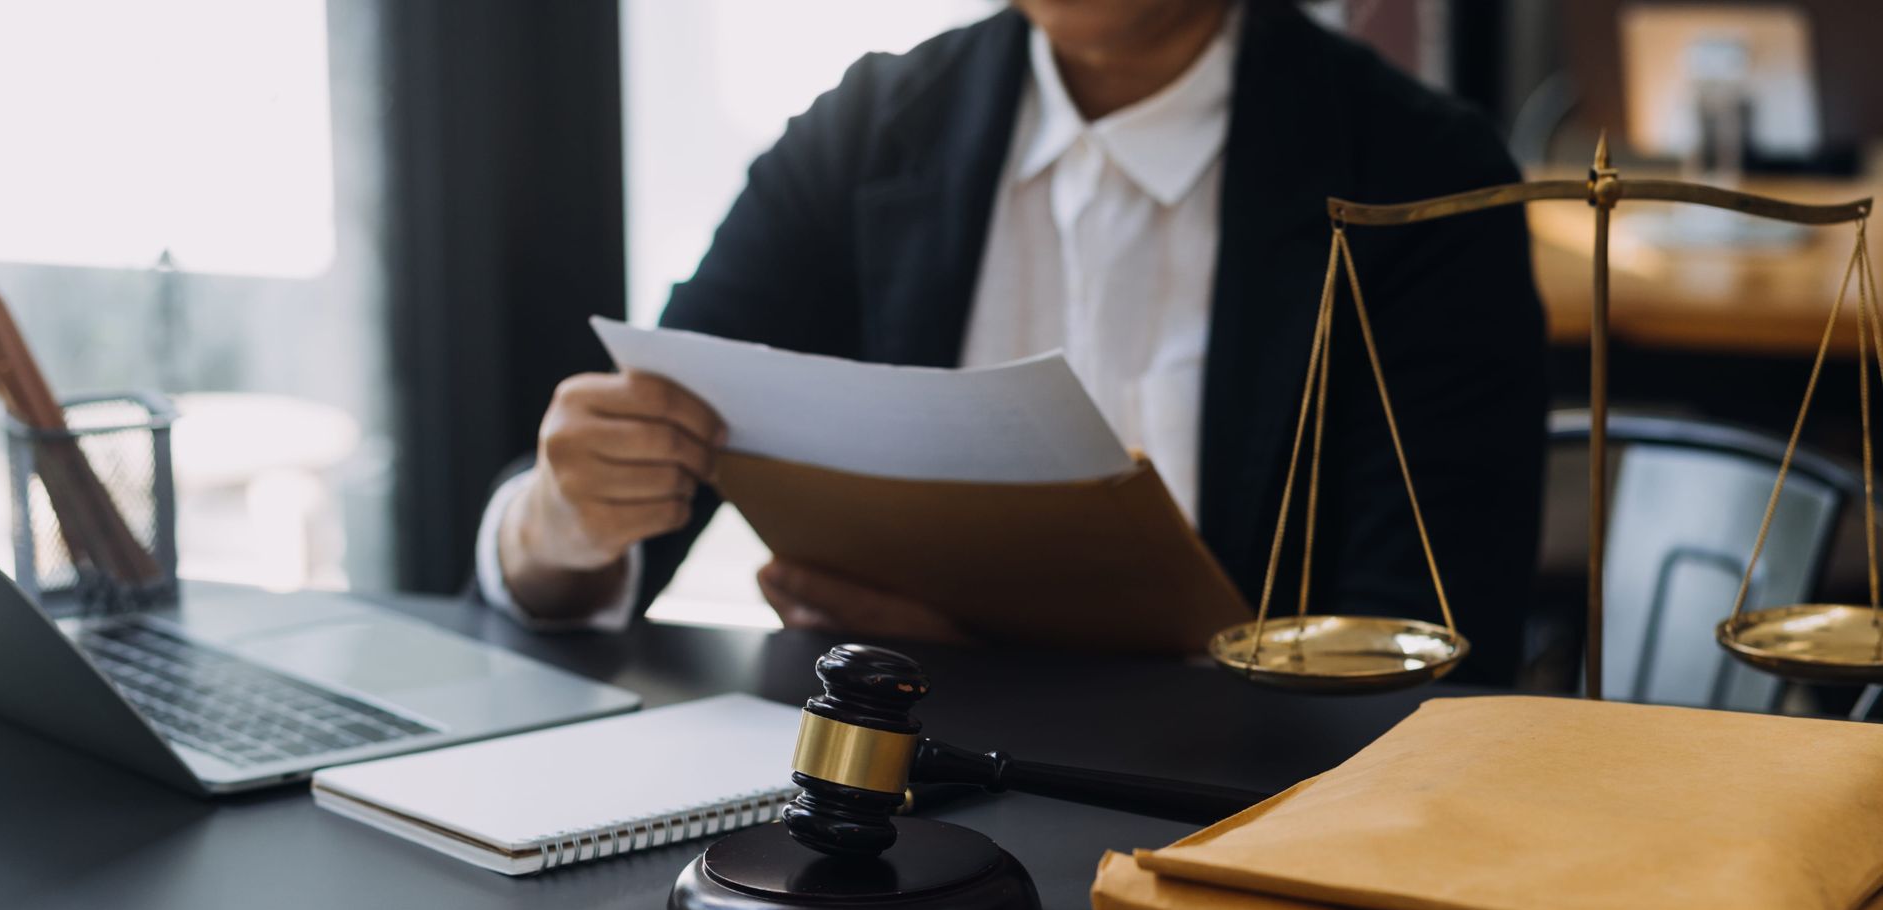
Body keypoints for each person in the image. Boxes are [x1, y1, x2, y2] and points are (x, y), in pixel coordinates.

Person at [476, 0, 1548, 683]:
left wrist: (1005, 659)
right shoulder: (872, 130)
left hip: (1252, 845)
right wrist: (552, 524)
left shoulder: (1421, 172)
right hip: (898, 828)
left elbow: (1438, 656)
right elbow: (638, 478)